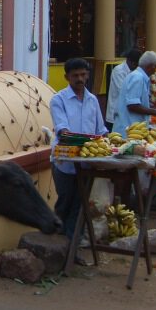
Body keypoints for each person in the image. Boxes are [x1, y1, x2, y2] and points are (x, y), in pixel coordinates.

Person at [50, 58, 107, 239]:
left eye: (83, 74)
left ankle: (73, 246)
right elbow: (63, 133)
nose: (80, 79)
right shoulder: (58, 100)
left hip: (87, 163)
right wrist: (91, 141)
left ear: (88, 75)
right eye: (75, 75)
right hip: (64, 161)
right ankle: (60, 243)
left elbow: (101, 130)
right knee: (65, 202)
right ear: (67, 77)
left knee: (80, 204)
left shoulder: (93, 100)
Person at [114, 50, 156, 135]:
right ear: (151, 67)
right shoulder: (137, 77)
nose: (155, 70)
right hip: (127, 131)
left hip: (133, 130)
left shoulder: (139, 76)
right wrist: (155, 112)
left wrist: (148, 105)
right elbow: (132, 105)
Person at [105, 49, 141, 132]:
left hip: (127, 114)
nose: (136, 67)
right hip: (115, 113)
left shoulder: (134, 71)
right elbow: (124, 91)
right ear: (131, 62)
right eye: (136, 65)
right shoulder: (119, 71)